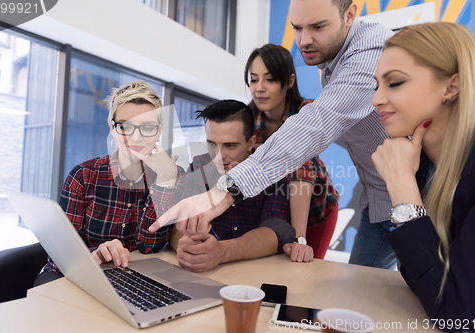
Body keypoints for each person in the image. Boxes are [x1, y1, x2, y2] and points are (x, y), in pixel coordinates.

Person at [150, 0, 397, 270]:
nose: (304, 40)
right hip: (376, 200)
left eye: (317, 26)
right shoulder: (249, 116)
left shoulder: (363, 57)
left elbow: (306, 153)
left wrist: (298, 235)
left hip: (315, 205)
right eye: (297, 28)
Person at [371, 22, 475, 331]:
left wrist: (401, 185)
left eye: (394, 83)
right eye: (376, 85)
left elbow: (459, 318)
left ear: (451, 87)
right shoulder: (425, 166)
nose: (376, 100)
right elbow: (421, 278)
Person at [34, 81, 183, 285]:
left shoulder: (172, 175)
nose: (136, 136)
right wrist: (96, 253)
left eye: (147, 127)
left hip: (132, 279)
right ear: (112, 127)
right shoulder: (84, 175)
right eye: (125, 126)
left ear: (159, 130)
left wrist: (165, 182)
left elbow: (150, 246)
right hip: (73, 276)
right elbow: (61, 253)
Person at [170, 99, 297, 272]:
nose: (219, 156)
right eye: (212, 144)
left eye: (230, 145)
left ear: (250, 143)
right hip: (209, 274)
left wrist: (222, 252)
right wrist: (188, 248)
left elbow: (275, 231)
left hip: (258, 273)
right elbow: (179, 226)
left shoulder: (272, 172)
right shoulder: (199, 166)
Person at [245, 43, 339, 262]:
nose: (259, 88)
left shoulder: (307, 112)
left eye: (269, 79)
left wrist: (299, 239)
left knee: (303, 268)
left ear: (289, 81)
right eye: (254, 79)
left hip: (315, 213)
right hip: (272, 211)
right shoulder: (247, 119)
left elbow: (301, 170)